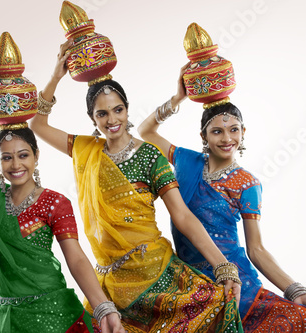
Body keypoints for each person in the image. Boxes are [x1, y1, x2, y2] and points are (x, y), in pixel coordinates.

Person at [30, 40, 244, 333]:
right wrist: (55, 77)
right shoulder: (84, 149)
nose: (112, 119)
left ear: (127, 110)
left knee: (215, 308)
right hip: (107, 283)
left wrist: (223, 265)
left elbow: (181, 215)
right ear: (93, 119)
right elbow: (37, 126)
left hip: (156, 274)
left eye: (118, 110)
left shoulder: (150, 156)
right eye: (102, 114)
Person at [138, 65, 306, 332]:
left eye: (234, 129)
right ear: (203, 136)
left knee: (301, 321)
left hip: (235, 281)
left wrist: (295, 290)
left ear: (243, 131)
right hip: (188, 280)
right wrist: (177, 98)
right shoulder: (186, 161)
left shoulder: (247, 183)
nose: (227, 138)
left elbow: (256, 249)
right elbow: (145, 131)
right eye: (217, 131)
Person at [0, 81, 125, 333]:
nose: (16, 164)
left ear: (36, 156)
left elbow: (76, 259)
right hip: (8, 320)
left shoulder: (55, 202)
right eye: (6, 157)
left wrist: (103, 308)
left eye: (23, 155)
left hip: (55, 316)